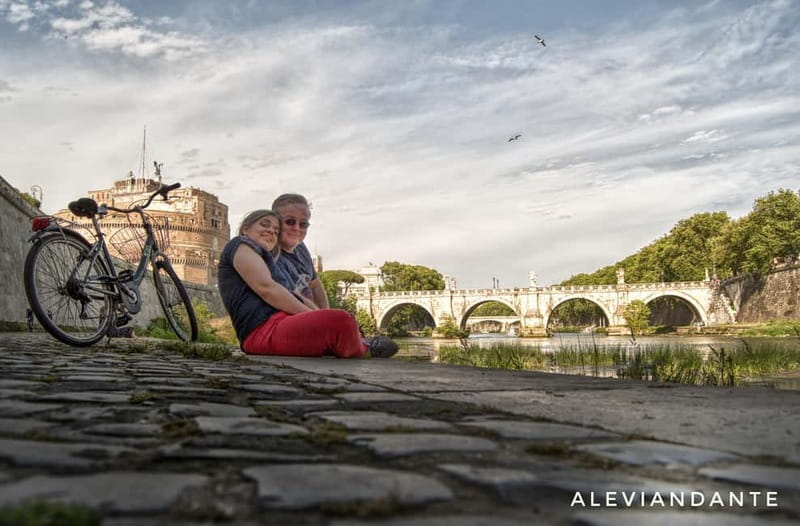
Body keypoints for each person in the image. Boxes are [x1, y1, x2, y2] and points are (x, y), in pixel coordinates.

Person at [217, 209, 398, 358]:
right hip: (262, 331)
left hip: (283, 324)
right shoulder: (239, 245)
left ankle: (347, 342)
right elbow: (267, 289)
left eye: (275, 230)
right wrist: (315, 318)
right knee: (341, 321)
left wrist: (318, 316)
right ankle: (363, 349)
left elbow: (295, 297)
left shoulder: (272, 264)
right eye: (264, 225)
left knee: (342, 318)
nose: (271, 231)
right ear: (245, 229)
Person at [270, 194, 329, 309]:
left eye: (303, 224)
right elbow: (291, 297)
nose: (297, 228)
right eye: (290, 221)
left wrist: (326, 312)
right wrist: (322, 319)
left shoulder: (300, 247)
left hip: (309, 316)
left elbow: (315, 285)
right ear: (275, 221)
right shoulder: (270, 254)